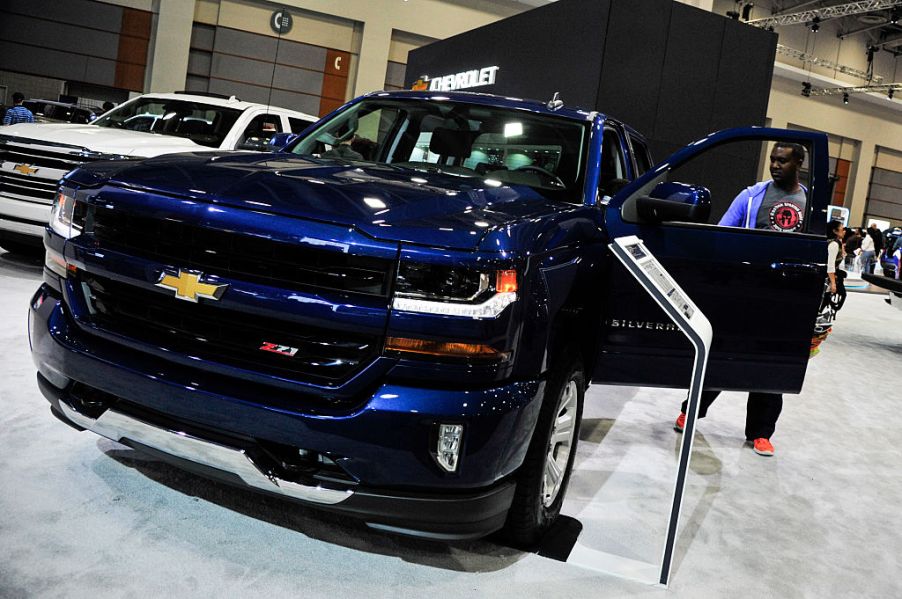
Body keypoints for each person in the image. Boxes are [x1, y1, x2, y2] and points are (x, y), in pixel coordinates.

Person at [674, 142, 809, 457]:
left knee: (772, 365)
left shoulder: (809, 202)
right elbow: (722, 234)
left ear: (799, 163)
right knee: (722, 356)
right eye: (773, 160)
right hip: (746, 291)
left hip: (787, 297)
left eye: (783, 161)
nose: (775, 166)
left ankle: (760, 433)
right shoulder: (751, 196)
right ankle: (691, 410)